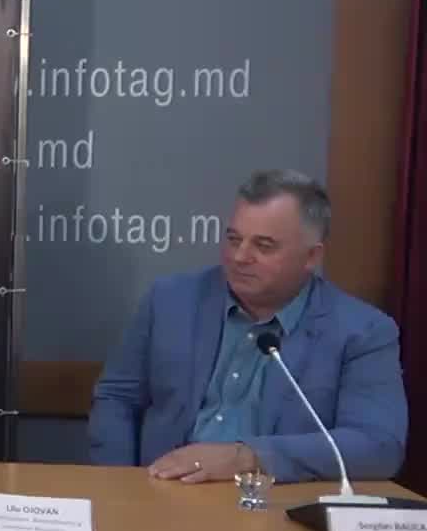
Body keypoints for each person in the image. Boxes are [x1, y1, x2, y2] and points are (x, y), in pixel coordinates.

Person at [89, 170, 407, 483]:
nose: (240, 256)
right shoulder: (170, 301)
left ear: (311, 256)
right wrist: (122, 485)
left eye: (263, 246)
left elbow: (378, 445)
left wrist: (249, 457)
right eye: (234, 239)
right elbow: (116, 398)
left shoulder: (363, 332)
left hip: (278, 505)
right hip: (162, 494)